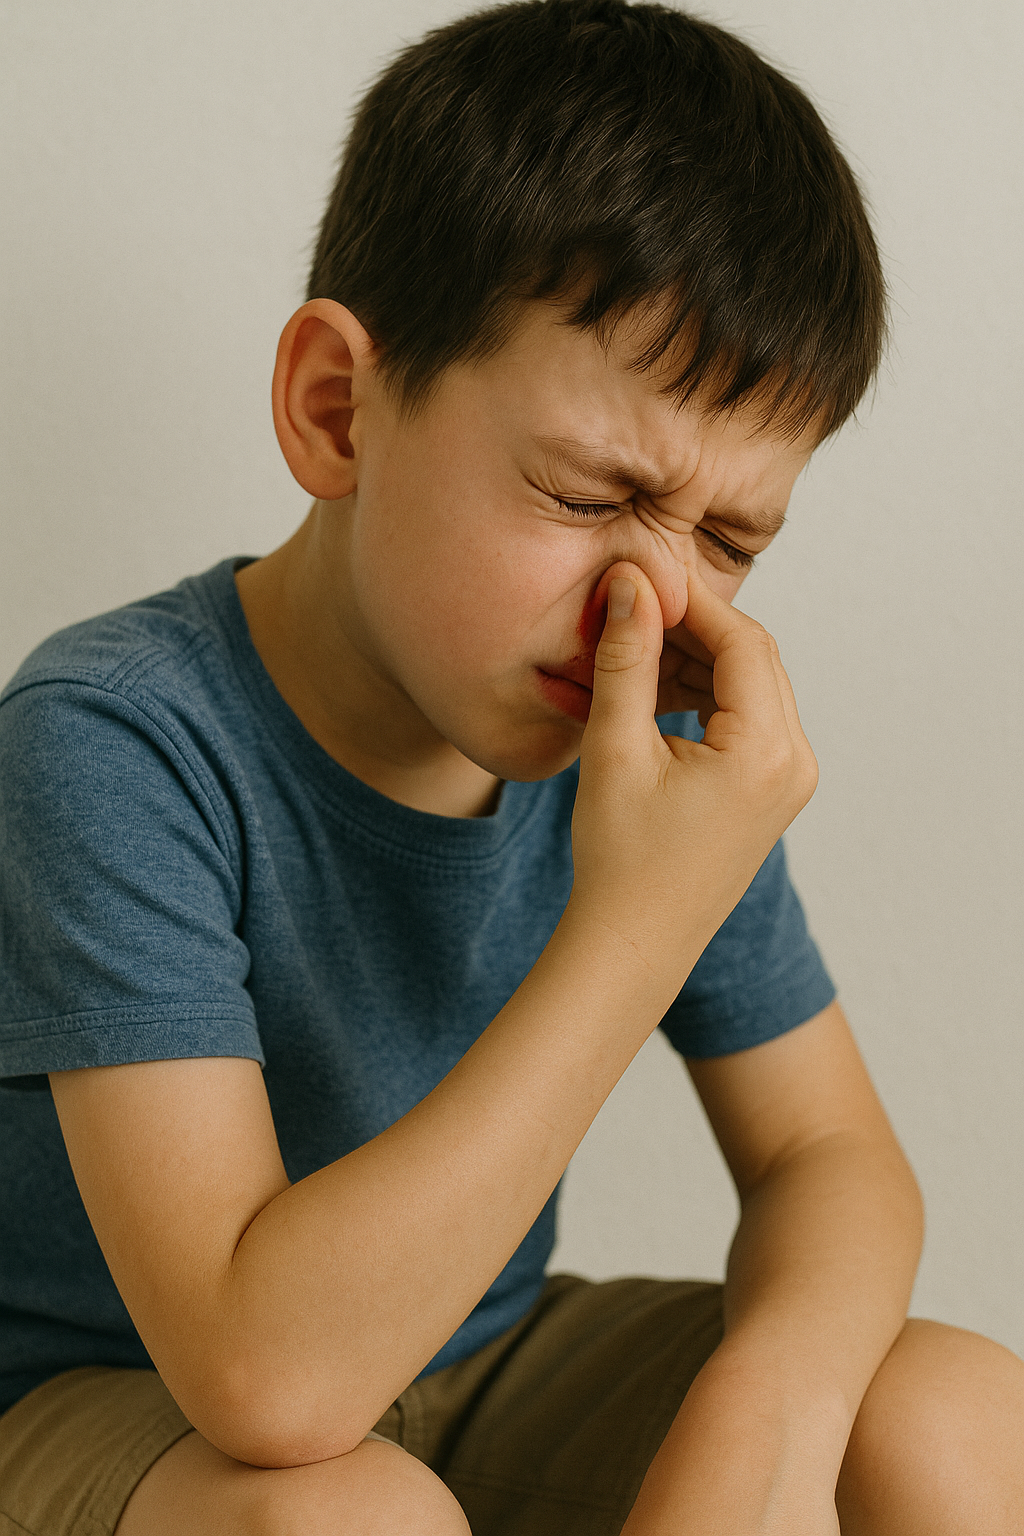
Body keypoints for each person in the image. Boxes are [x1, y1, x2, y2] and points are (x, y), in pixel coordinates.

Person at [1, 1, 1022, 1531]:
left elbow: (831, 1153)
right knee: (346, 1516)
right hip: (133, 1403)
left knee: (951, 1412)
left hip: (478, 1367)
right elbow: (264, 1382)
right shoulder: (113, 736)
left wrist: (770, 1415)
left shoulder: (662, 740)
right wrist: (637, 922)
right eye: (589, 491)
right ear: (338, 410)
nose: (651, 607)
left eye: (731, 540)